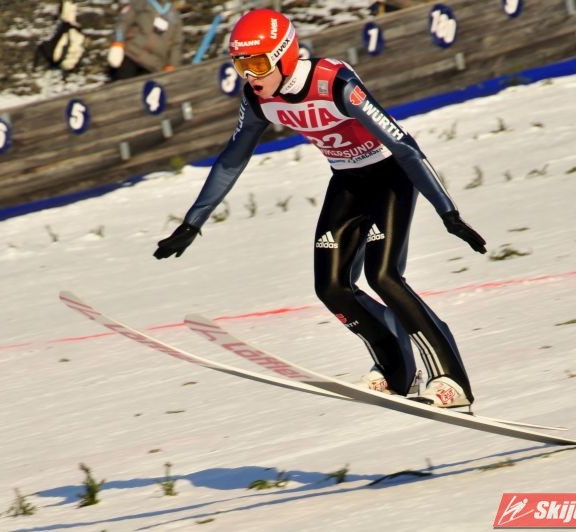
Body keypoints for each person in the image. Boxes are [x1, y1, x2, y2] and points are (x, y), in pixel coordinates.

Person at [153, 9, 487, 407]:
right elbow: (231, 159)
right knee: (331, 288)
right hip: (347, 180)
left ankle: (452, 380)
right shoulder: (258, 98)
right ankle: (396, 369)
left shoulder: (335, 83)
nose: (250, 76)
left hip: (390, 175)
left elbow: (404, 146)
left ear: (285, 56)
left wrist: (447, 212)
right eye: (241, 65)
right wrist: (192, 223)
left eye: (258, 64)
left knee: (384, 277)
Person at [107, 0, 183, 81]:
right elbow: (123, 22)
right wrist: (117, 44)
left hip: (153, 67)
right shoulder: (141, 3)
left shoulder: (175, 16)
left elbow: (176, 45)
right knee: (120, 85)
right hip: (130, 55)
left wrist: (172, 66)